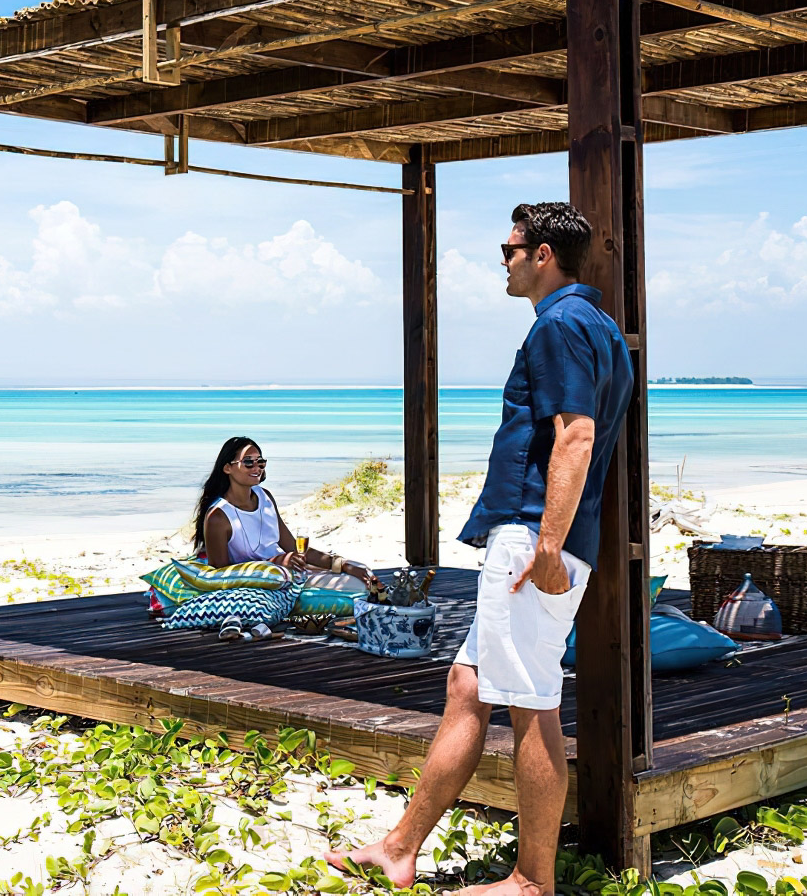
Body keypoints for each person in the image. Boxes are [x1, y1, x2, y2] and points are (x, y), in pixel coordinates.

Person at [327, 202, 635, 895]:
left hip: (534, 538)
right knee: (467, 686)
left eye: (511, 248)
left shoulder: (559, 325)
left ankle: (531, 882)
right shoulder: (601, 327)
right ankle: (400, 848)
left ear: (544, 256)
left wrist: (549, 544)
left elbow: (576, 435)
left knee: (531, 702)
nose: (503, 259)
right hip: (538, 535)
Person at [193, 436, 373, 589]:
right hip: (266, 583)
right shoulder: (219, 516)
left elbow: (294, 548)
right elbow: (220, 576)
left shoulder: (265, 497)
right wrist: (273, 563)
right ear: (227, 468)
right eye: (248, 462)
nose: (257, 467)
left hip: (289, 571)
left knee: (360, 569)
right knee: (357, 586)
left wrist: (341, 564)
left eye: (260, 462)